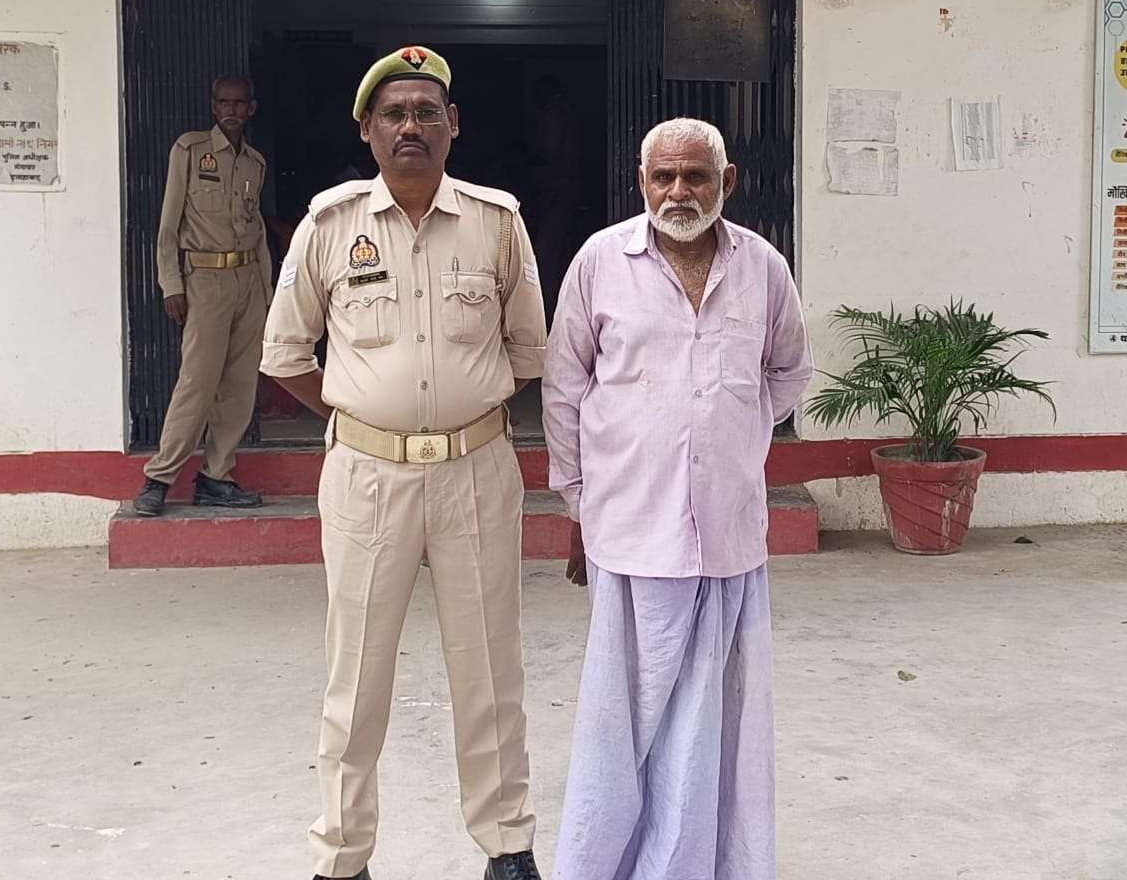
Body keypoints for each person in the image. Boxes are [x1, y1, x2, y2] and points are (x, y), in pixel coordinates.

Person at [263, 46, 548, 880]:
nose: (410, 126)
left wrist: (455, 408)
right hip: (367, 479)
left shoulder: (497, 222)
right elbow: (285, 355)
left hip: (476, 471)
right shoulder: (329, 225)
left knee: (490, 667)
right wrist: (361, 415)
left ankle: (508, 845)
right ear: (367, 130)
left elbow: (528, 349)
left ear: (453, 125)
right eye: (393, 114)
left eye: (427, 111)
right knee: (355, 676)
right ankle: (341, 856)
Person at [541, 117, 813, 880]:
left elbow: (790, 370)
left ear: (728, 183)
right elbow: (563, 387)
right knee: (621, 724)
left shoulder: (762, 267)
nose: (678, 192)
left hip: (726, 533)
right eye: (663, 177)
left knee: (709, 721)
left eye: (696, 176)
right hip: (631, 529)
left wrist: (734, 430)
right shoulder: (601, 261)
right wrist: (578, 502)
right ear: (642, 182)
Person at [133, 76, 270, 517]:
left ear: (251, 108)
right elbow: (168, 227)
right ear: (213, 107)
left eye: (239, 103)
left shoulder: (255, 163)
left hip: (248, 280)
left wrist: (268, 294)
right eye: (223, 102)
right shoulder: (190, 151)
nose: (231, 110)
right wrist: (171, 284)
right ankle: (158, 478)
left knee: (239, 386)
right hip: (204, 281)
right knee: (196, 382)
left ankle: (216, 477)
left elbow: (257, 230)